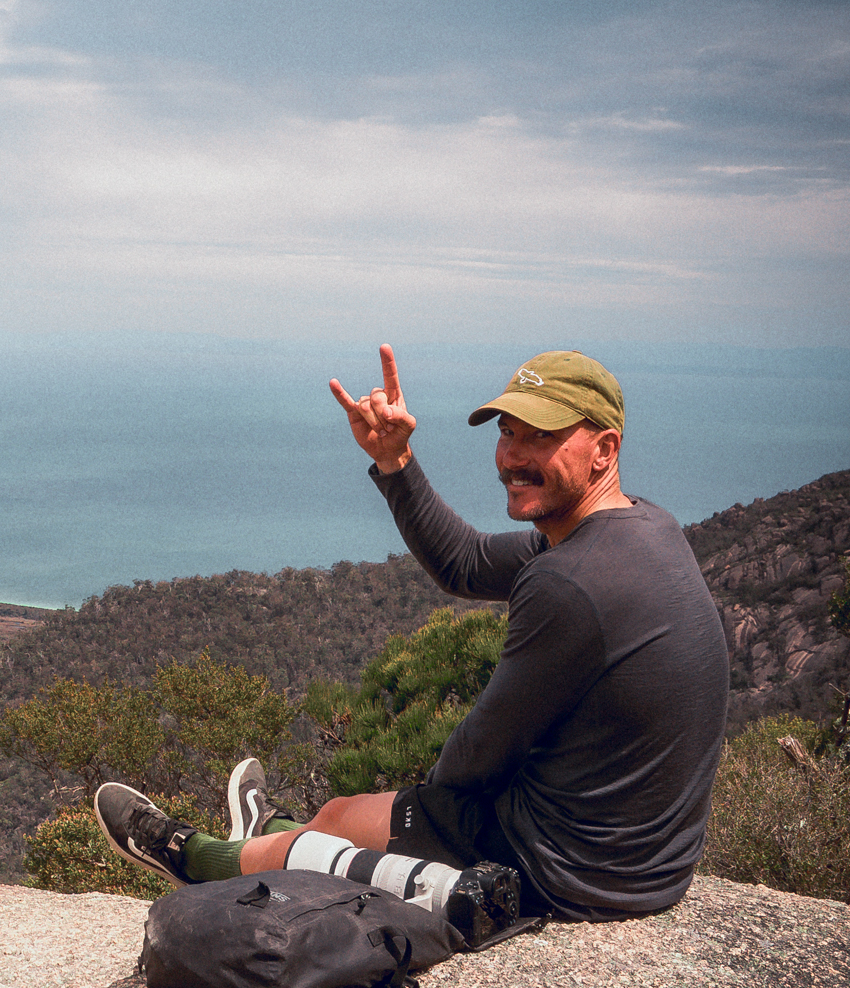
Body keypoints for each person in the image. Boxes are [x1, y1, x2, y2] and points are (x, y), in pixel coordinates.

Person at [95, 345, 730, 922]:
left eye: (542, 437)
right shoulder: (644, 528)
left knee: (339, 818)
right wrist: (393, 460)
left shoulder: (570, 582)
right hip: (651, 863)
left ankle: (192, 856)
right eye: (508, 433)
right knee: (347, 818)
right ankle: (274, 831)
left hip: (567, 871)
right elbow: (467, 563)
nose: (513, 456)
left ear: (604, 450)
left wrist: (406, 815)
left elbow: (473, 761)